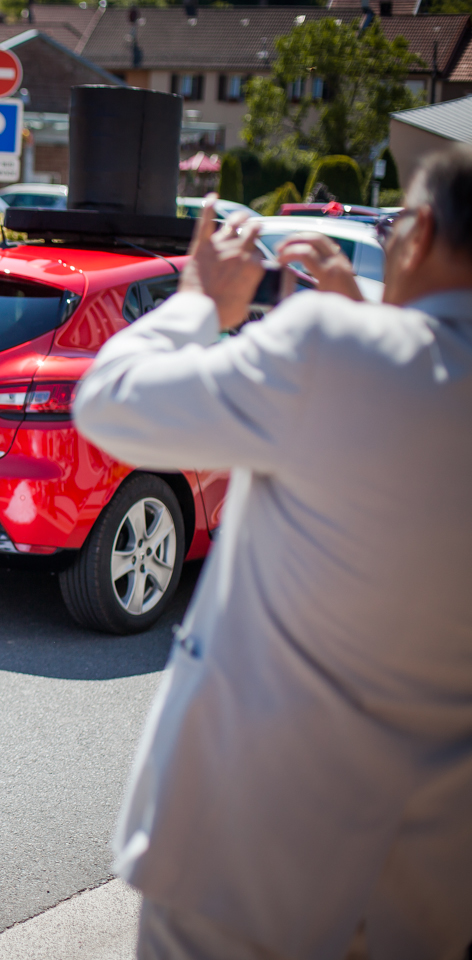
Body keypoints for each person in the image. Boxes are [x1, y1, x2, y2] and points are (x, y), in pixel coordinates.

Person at [74, 147, 472, 959]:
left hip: (248, 848)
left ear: (423, 230)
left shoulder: (327, 343)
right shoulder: (355, 342)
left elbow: (113, 405)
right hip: (434, 880)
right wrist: (367, 311)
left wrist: (198, 300)